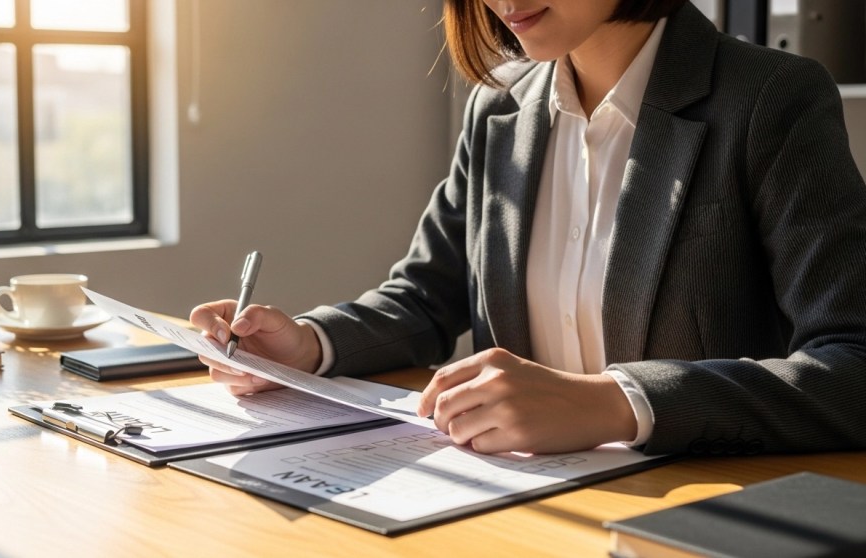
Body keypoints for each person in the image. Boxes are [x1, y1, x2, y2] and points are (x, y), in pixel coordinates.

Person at [190, 0, 866, 456]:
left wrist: (618, 403)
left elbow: (852, 366)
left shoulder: (770, 97)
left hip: (692, 517)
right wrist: (309, 345)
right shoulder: (499, 108)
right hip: (521, 507)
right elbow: (427, 298)